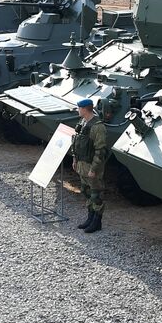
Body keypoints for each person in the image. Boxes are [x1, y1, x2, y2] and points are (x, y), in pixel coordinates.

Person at [71, 98, 109, 233]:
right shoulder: (83, 122)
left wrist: (94, 169)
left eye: (78, 108)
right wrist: (75, 159)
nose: (77, 110)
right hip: (82, 163)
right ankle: (90, 217)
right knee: (86, 191)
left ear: (84, 109)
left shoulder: (98, 127)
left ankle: (97, 222)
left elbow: (100, 151)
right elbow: (76, 142)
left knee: (96, 194)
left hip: (92, 166)